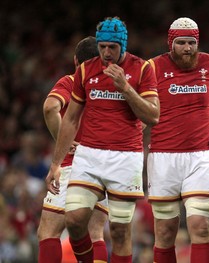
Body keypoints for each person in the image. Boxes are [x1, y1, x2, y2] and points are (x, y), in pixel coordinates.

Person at [45, 16, 160, 263]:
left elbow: (153, 115)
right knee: (74, 221)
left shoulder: (141, 69)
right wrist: (56, 163)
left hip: (125, 157)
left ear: (123, 46)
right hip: (89, 155)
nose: (106, 52)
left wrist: (126, 88)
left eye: (112, 47)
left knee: (119, 231)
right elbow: (71, 119)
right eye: (102, 46)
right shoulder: (86, 70)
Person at [146, 17, 209, 263]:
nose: (187, 48)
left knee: (200, 227)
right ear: (171, 44)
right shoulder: (153, 67)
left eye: (191, 42)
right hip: (163, 157)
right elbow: (137, 106)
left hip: (199, 158)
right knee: (165, 232)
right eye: (181, 43)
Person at [38, 36, 109, 263]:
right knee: (95, 232)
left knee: (49, 231)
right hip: (107, 164)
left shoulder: (72, 81)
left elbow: (50, 108)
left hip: (74, 165)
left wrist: (64, 141)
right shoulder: (114, 85)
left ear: (76, 61)